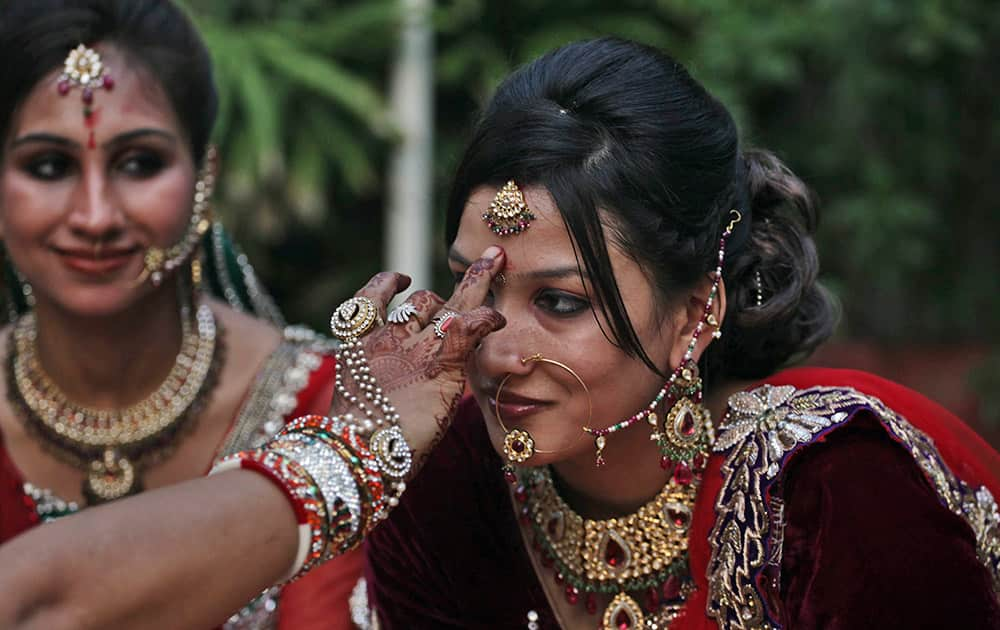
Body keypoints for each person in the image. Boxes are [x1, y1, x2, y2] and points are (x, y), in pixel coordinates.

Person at [1, 36, 998, 630]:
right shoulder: (467, 471)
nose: (495, 345)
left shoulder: (825, 485)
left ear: (700, 307)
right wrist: (364, 450)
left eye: (559, 302)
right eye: (474, 288)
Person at [0, 1, 360, 628]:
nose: (95, 216)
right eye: (49, 166)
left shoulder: (330, 410)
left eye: (139, 163)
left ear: (205, 174)